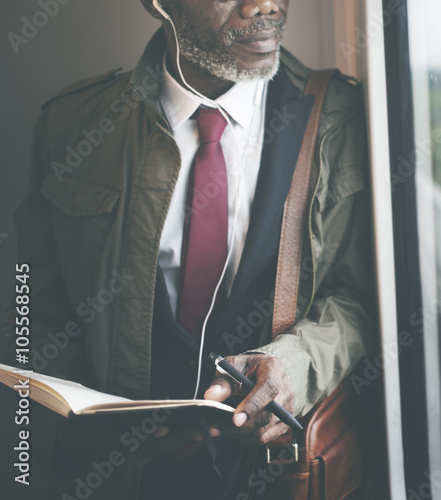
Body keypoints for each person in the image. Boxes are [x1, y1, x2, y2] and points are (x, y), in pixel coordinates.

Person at [2, 0, 376, 498]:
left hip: (268, 479)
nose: (266, 5)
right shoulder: (72, 126)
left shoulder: (342, 120)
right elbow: (31, 315)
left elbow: (358, 299)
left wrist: (295, 363)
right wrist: (57, 440)